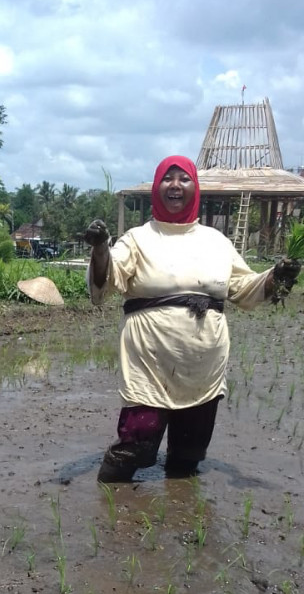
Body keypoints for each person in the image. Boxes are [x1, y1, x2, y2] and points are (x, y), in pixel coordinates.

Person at [85, 155, 301, 482]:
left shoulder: (215, 241)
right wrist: (101, 249)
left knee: (188, 456)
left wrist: (278, 277)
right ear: (157, 188)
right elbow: (108, 279)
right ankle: (110, 499)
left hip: (203, 366)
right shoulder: (138, 238)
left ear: (194, 188)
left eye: (183, 179)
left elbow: (243, 288)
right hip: (150, 362)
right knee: (137, 444)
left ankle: (182, 513)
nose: (175, 185)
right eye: (167, 179)